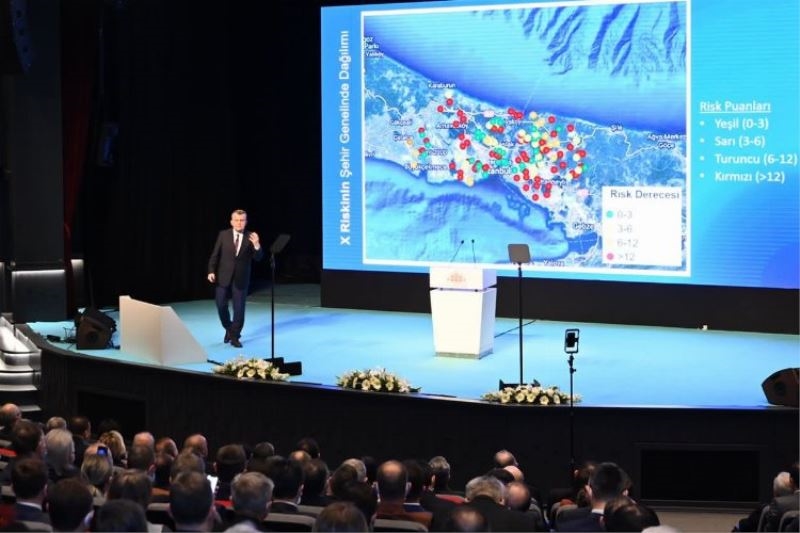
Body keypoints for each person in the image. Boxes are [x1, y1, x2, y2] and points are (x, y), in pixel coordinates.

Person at [207, 209, 263, 348]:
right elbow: (215, 254)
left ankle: (235, 337)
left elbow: (258, 258)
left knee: (239, 309)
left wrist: (256, 245)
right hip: (223, 276)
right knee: (221, 305)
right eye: (236, 220)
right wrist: (211, 271)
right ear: (231, 222)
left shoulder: (251, 236)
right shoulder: (223, 235)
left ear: (246, 222)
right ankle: (229, 329)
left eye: (242, 220)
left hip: (241, 278)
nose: (239, 223)